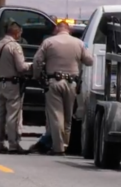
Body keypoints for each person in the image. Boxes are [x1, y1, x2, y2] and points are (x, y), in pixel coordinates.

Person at [32, 21, 94, 155]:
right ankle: (65, 145)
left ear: (56, 29)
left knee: (56, 116)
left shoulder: (48, 42)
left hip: (54, 82)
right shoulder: (79, 43)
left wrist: (37, 76)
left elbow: (37, 60)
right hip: (71, 83)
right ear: (69, 30)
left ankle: (58, 148)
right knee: (67, 117)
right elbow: (90, 61)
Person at [0, 21, 30, 154]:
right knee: (13, 115)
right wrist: (32, 65)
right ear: (16, 32)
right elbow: (21, 67)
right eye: (20, 33)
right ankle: (14, 145)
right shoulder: (14, 46)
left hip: (1, 83)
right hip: (12, 84)